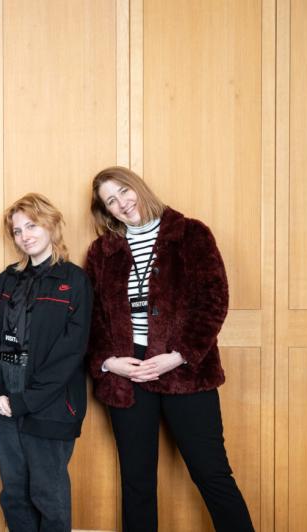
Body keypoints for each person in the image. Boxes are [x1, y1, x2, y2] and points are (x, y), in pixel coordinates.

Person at [85, 166, 254, 532]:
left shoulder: (190, 234)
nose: (122, 204)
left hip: (185, 374)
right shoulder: (102, 252)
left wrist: (177, 355)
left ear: (139, 188)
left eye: (124, 192)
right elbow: (92, 317)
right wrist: (111, 363)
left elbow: (214, 300)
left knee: (212, 473)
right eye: (110, 202)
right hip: (128, 379)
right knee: (137, 482)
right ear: (106, 211)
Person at [0, 193, 92, 532]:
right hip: (4, 401)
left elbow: (71, 352)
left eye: (32, 225)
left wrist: (27, 400)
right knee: (14, 493)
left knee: (48, 494)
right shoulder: (4, 282)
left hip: (49, 404)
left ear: (51, 225)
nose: (25, 235)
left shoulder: (75, 281)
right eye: (17, 230)